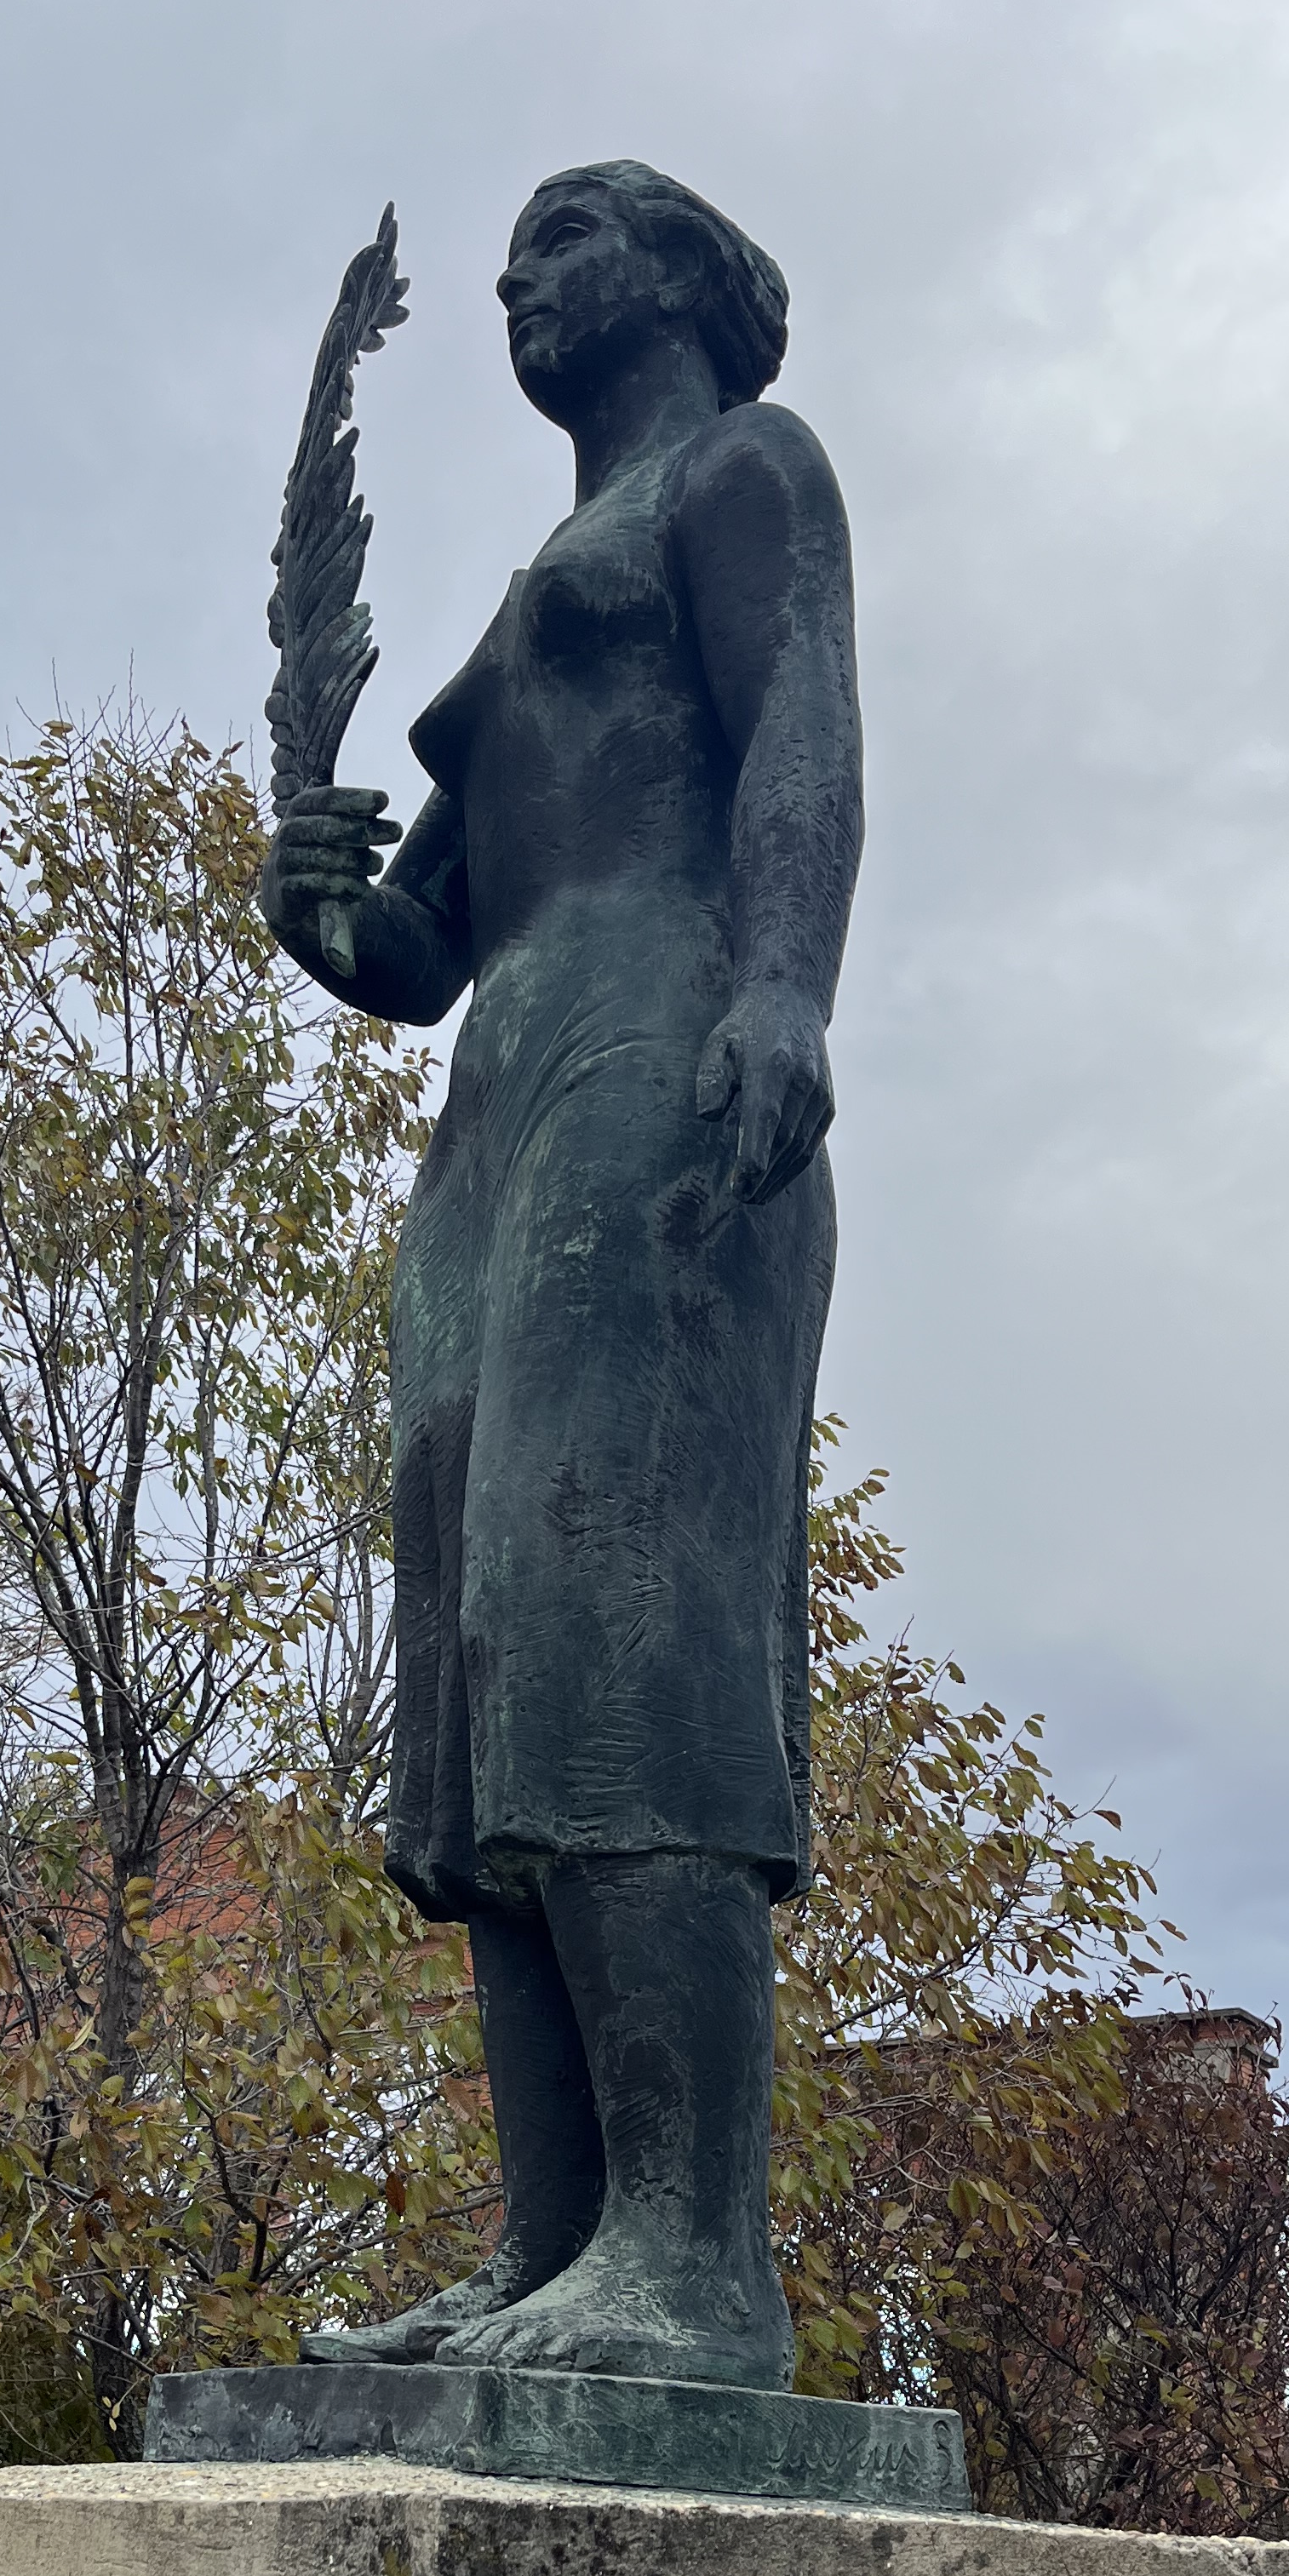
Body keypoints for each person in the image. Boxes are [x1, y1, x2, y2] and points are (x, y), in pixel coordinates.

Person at [260, 161, 863, 2388]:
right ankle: (555, 2259)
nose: (523, 283)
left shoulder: (741, 473)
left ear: (689, 275)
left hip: (668, 1081)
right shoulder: (528, 601)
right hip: (499, 1131)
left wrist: (785, 990)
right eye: (511, 259)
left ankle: (698, 2264)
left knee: (625, 1635)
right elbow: (423, 951)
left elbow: (802, 718)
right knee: (491, 1674)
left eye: (567, 242)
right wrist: (320, 905)